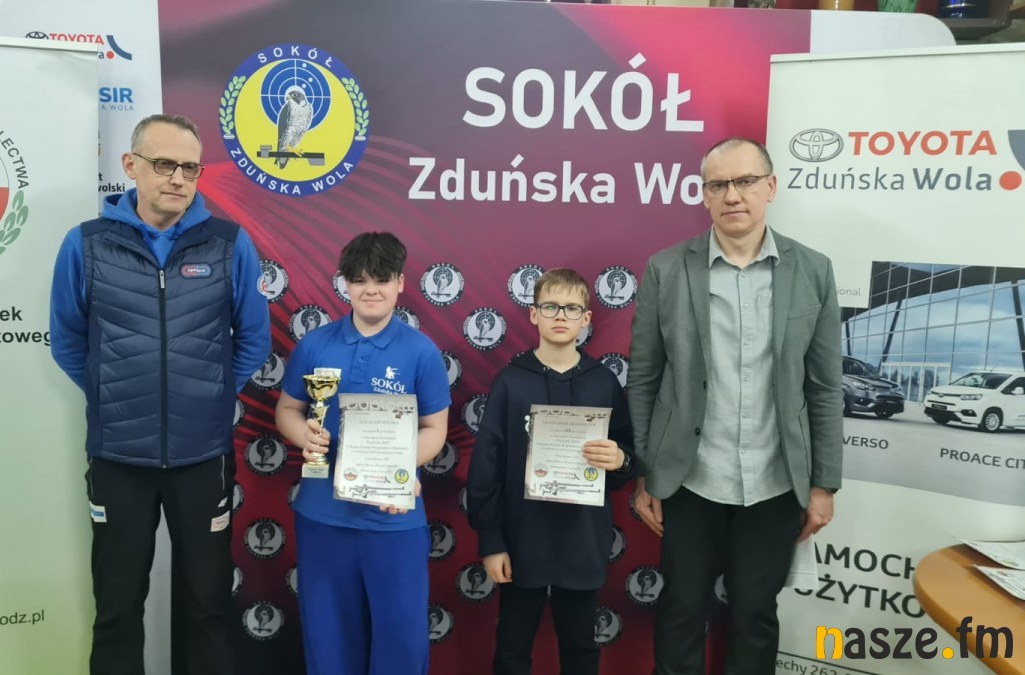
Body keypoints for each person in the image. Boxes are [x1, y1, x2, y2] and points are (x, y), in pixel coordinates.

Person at [49, 113, 271, 675]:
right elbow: (67, 340)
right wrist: (114, 398)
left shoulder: (229, 244)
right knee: (117, 608)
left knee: (208, 605)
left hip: (202, 458)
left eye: (190, 168)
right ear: (131, 165)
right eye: (164, 164)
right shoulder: (85, 244)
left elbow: (253, 339)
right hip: (119, 458)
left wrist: (210, 397)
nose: (177, 178)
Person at [627, 137, 843, 675]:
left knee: (754, 614)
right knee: (680, 611)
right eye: (718, 185)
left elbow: (824, 386)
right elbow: (645, 377)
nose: (732, 195)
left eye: (746, 181)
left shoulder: (813, 270)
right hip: (690, 480)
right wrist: (646, 473)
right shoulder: (666, 269)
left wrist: (823, 484)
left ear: (771, 187)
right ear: (704, 195)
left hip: (775, 481)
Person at [274, 232, 451, 675]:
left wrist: (401, 467)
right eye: (359, 279)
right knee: (329, 638)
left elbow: (435, 430)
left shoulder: (421, 352)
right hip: (323, 516)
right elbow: (288, 410)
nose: (370, 290)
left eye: (382, 279)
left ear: (400, 283)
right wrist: (302, 435)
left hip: (393, 518)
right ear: (345, 284)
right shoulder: (315, 345)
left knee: (401, 639)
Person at [467, 268, 637, 675]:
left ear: (586, 318)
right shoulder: (510, 381)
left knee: (581, 648)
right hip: (521, 539)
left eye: (572, 308)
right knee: (512, 648)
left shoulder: (603, 382)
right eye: (550, 307)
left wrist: (620, 461)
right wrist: (491, 541)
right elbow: (486, 467)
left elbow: (627, 457)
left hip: (582, 539)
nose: (561, 315)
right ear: (533, 314)